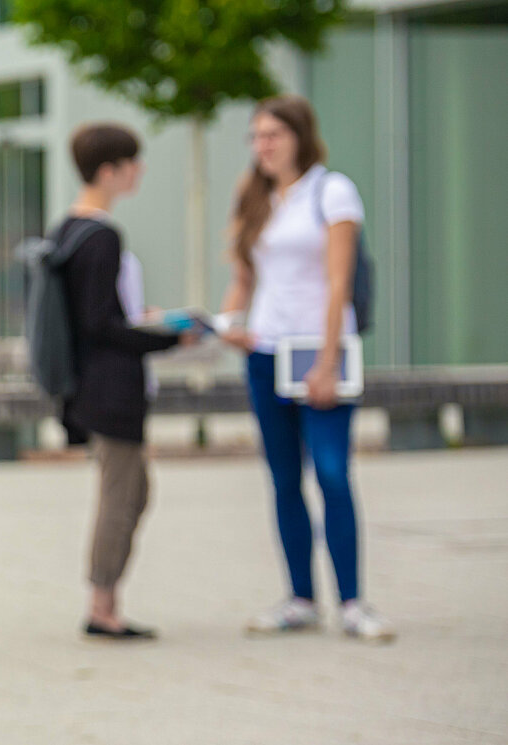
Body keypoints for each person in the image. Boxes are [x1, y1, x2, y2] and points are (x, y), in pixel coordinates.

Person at [218, 95, 394, 643]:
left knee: (333, 473)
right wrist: (228, 323)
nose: (262, 146)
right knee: (283, 479)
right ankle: (299, 599)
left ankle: (352, 603)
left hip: (319, 353)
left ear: (300, 136)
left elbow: (338, 282)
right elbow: (245, 278)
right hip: (265, 352)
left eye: (273, 135)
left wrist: (325, 361)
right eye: (255, 137)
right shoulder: (254, 196)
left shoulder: (332, 191)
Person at [59, 123, 193, 641]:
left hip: (91, 383)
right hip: (112, 386)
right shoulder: (103, 235)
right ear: (109, 170)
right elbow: (100, 324)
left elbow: (98, 314)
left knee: (132, 488)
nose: (138, 172)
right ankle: (102, 607)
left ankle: (105, 598)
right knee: (123, 493)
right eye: (133, 163)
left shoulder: (68, 229)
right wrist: (166, 338)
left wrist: (143, 318)